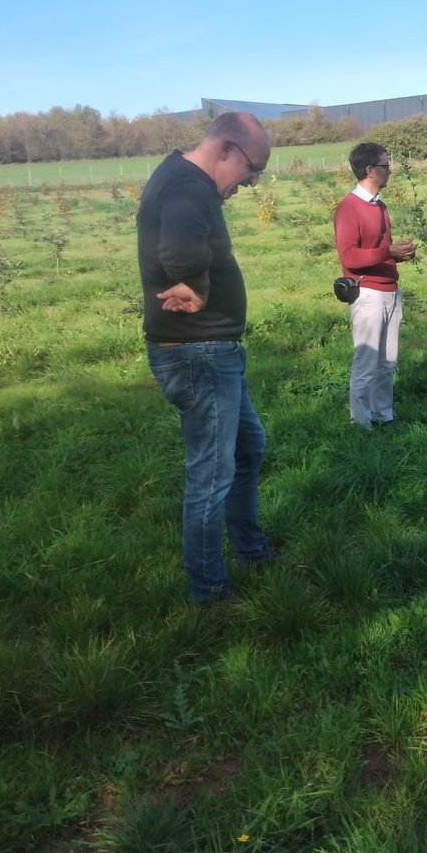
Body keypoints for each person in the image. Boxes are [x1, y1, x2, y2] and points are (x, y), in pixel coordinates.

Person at [137, 112, 273, 605]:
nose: (254, 181)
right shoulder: (189, 188)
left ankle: (250, 549)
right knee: (211, 474)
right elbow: (180, 251)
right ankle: (209, 591)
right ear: (226, 149)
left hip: (210, 353)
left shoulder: (180, 176)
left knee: (246, 449)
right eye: (254, 168)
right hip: (200, 355)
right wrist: (196, 284)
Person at [333, 142, 415, 428]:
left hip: (391, 291)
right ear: (370, 170)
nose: (389, 170)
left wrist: (400, 255)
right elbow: (350, 256)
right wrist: (389, 252)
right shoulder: (348, 208)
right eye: (385, 165)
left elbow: (378, 250)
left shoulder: (380, 206)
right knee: (367, 364)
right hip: (368, 294)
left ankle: (384, 416)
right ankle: (360, 424)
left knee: (387, 362)